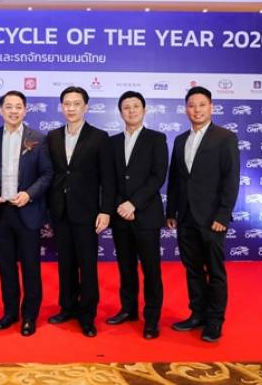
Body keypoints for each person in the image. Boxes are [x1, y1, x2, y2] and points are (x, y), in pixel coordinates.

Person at [166, 86, 240, 342]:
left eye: (202, 105)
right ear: (185, 109)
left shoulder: (225, 137)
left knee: (215, 271)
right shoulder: (180, 140)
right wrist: (171, 211)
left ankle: (215, 321)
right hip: (185, 217)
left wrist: (223, 215)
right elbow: (176, 180)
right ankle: (197, 314)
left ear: (211, 107)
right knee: (193, 269)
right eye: (191, 105)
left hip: (212, 219)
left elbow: (231, 180)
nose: (196, 110)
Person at [0, 90, 53, 336]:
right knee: (6, 267)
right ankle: (10, 312)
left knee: (31, 267)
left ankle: (29, 316)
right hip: (1, 212)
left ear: (25, 110)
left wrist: (29, 194)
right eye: (9, 106)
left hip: (27, 211)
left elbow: (47, 174)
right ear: (0, 110)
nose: (13, 111)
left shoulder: (38, 138)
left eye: (18, 106)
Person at [45, 86, 113, 337]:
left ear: (86, 107)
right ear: (61, 107)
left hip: (87, 213)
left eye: (76, 103)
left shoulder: (99, 137)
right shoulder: (52, 136)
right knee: (65, 264)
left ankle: (87, 316)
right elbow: (51, 174)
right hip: (60, 211)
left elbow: (108, 178)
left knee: (87, 265)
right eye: (67, 103)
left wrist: (105, 210)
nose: (71, 108)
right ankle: (68, 307)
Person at [106, 91, 168, 339]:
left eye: (135, 106)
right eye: (126, 107)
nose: (131, 111)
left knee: (151, 270)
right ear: (120, 112)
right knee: (126, 267)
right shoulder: (112, 142)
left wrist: (133, 204)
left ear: (144, 110)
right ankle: (128, 310)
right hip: (120, 215)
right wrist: (121, 207)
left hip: (146, 215)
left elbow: (157, 176)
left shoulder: (157, 139)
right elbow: (110, 180)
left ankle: (151, 319)